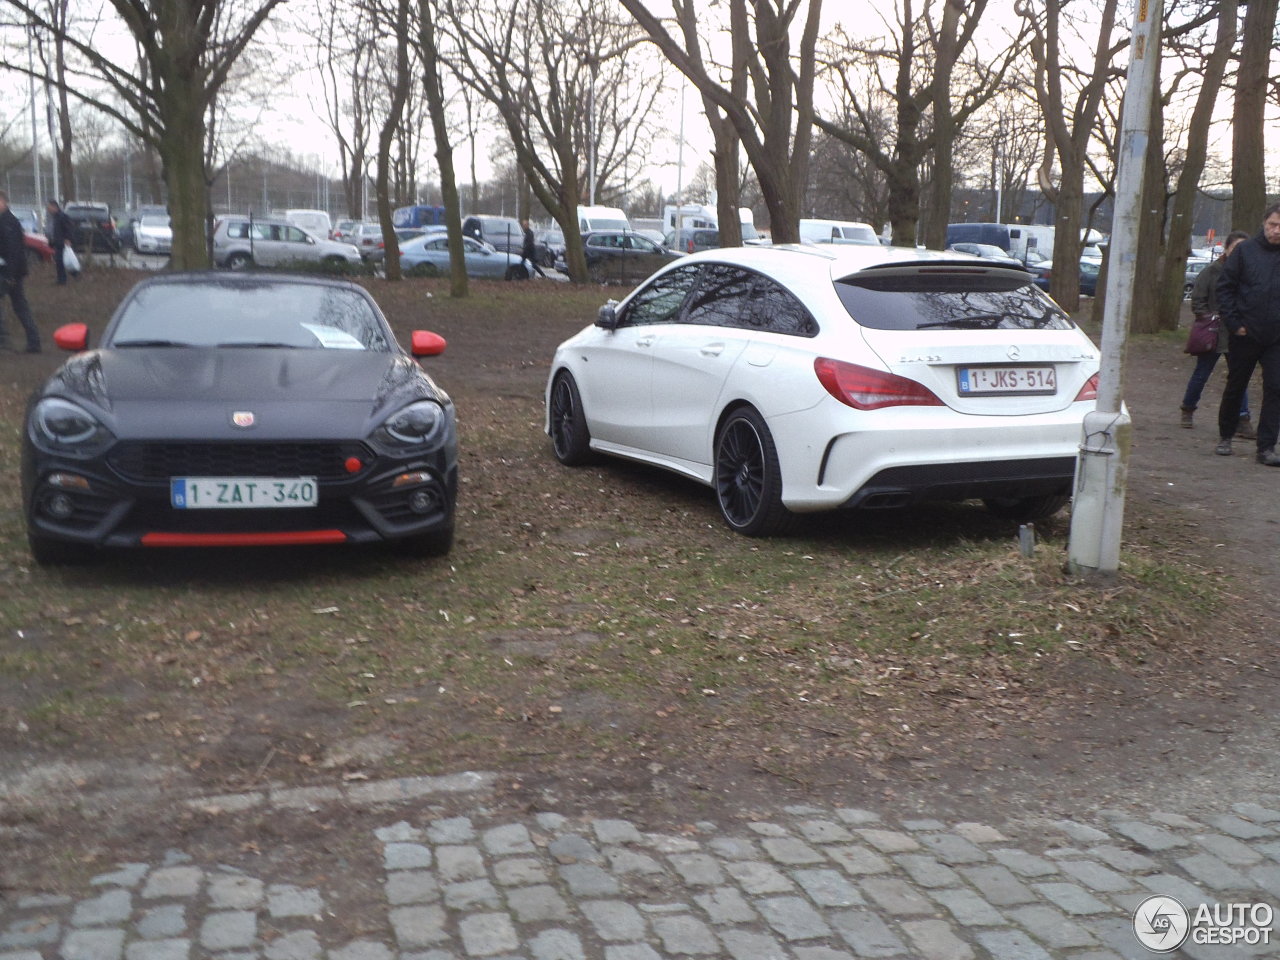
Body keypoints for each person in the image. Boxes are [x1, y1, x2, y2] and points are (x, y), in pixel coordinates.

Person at [1216, 203, 1280, 463]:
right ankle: (1226, 436)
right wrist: (1234, 323)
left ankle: (1266, 447)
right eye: (1273, 225)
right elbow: (1225, 289)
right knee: (1236, 385)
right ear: (1264, 223)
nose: (1277, 231)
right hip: (1245, 332)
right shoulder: (1244, 251)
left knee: (1276, 389)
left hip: (1276, 338)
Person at [1181, 231, 1252, 434]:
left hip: (1236, 332)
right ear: (1226, 249)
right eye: (1235, 248)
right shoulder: (1211, 272)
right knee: (1202, 373)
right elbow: (1198, 299)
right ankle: (1188, 408)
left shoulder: (1248, 273)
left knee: (1240, 376)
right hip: (1212, 332)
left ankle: (1242, 417)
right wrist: (1207, 317)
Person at [0, 189, 42, 354]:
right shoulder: (5, 221)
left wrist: (11, 275)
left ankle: (7, 340)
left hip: (9, 272)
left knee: (20, 306)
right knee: (20, 306)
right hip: (9, 271)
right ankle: (32, 341)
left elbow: (14, 250)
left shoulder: (8, 221)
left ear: (4, 202)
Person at [46, 199, 74, 285]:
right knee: (58, 261)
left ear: (55, 207)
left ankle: (63, 279)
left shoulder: (62, 216)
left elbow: (69, 228)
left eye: (49, 207)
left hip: (62, 242)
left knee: (60, 261)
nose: (48, 209)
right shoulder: (54, 217)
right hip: (56, 242)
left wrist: (68, 239)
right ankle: (62, 278)